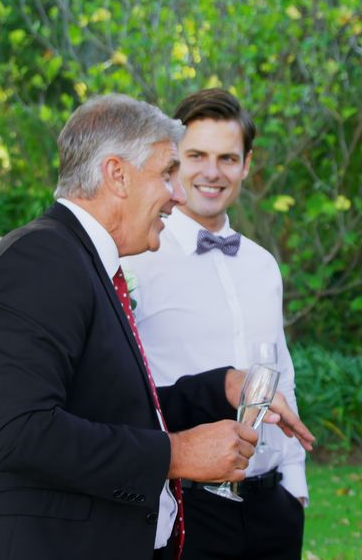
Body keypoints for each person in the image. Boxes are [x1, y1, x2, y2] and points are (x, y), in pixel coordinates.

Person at [0, 94, 314, 560]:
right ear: (117, 175)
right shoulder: (40, 260)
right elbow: (19, 431)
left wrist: (222, 386)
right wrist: (174, 455)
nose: (176, 193)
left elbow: (113, 411)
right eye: (166, 173)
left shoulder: (83, 263)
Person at [121, 89, 308, 560]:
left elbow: (280, 371)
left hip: (273, 507)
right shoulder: (138, 262)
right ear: (172, 162)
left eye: (228, 158)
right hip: (186, 504)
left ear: (246, 165)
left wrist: (295, 487)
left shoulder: (264, 264)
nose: (211, 172)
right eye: (196, 156)